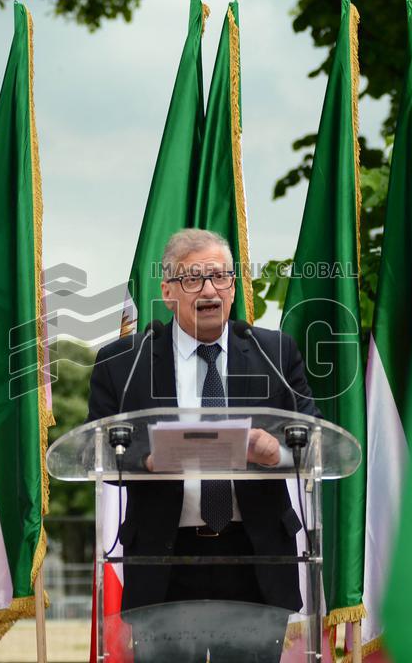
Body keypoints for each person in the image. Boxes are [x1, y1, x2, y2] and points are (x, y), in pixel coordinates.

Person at [85, 228, 322, 661]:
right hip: (164, 560)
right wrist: (148, 460)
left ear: (233, 288)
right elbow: (95, 450)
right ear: (167, 291)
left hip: (255, 557)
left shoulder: (273, 352)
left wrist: (279, 453)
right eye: (193, 278)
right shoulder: (123, 362)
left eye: (220, 277)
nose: (209, 290)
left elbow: (315, 437)